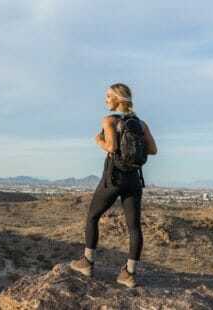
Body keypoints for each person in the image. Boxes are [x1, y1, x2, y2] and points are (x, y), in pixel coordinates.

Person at [70, 83, 157, 288]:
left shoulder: (109, 120)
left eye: (109, 96)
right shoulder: (141, 124)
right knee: (134, 227)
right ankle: (129, 274)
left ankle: (87, 262)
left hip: (115, 178)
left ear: (118, 98)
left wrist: (98, 139)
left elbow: (112, 147)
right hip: (134, 180)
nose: (106, 99)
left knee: (92, 216)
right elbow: (153, 150)